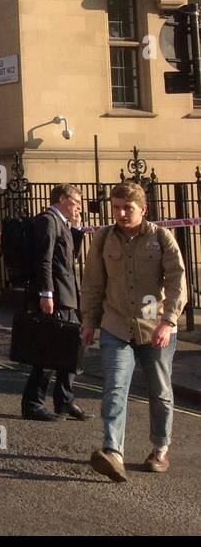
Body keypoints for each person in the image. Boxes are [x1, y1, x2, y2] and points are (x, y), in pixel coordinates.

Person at [83, 182, 188, 482]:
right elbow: (92, 283)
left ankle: (160, 448)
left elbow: (177, 282)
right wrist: (89, 322)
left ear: (143, 210)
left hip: (155, 328)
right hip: (116, 326)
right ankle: (113, 452)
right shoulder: (103, 239)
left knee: (160, 391)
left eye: (127, 208)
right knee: (114, 388)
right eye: (115, 207)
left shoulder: (161, 238)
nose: (120, 213)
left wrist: (168, 322)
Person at [21, 184, 86, 422]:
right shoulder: (48, 221)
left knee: (73, 349)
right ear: (62, 199)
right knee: (49, 352)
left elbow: (72, 258)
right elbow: (44, 260)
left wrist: (77, 228)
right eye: (76, 201)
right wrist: (46, 294)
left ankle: (64, 401)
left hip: (68, 296)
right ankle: (33, 404)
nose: (79, 206)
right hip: (56, 297)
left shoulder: (64, 224)